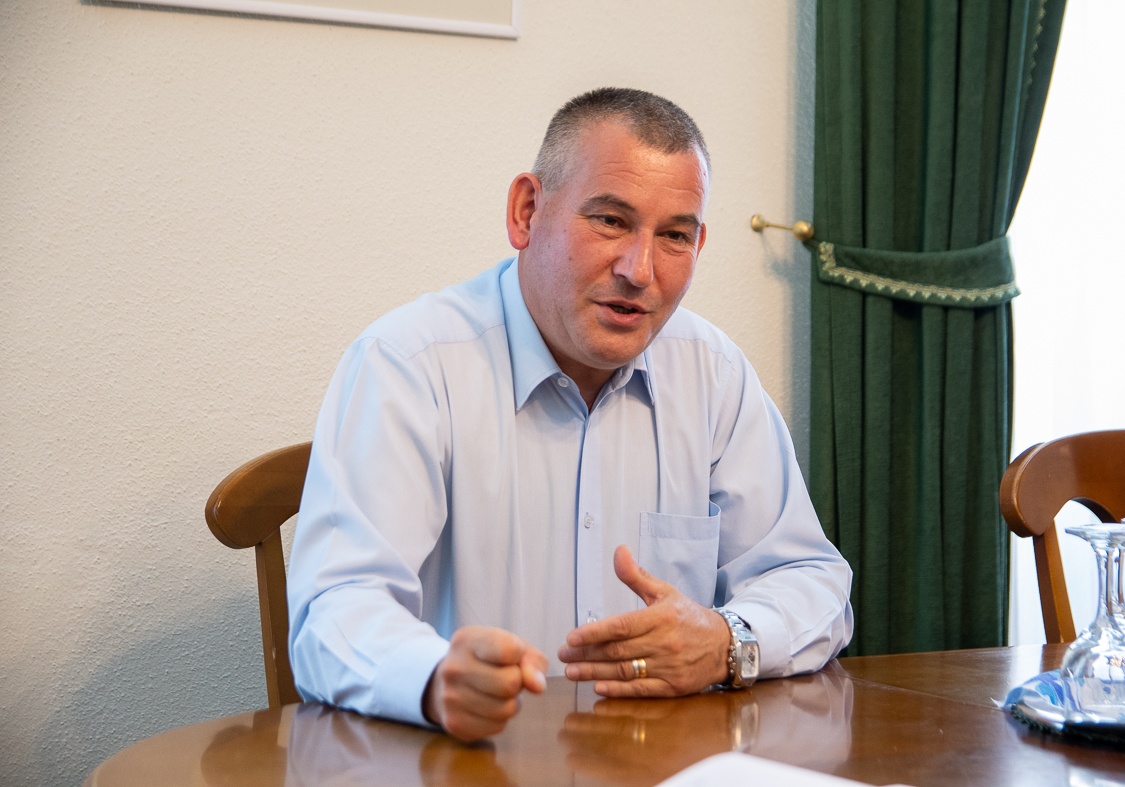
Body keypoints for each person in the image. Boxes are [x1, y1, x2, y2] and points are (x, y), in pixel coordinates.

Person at [287, 87, 853, 742]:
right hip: (471, 764)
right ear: (526, 212)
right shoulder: (409, 365)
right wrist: (431, 676)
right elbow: (336, 610)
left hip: (662, 764)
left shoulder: (713, 372)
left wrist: (730, 641)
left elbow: (808, 578)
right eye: (610, 221)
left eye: (674, 235)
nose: (639, 270)